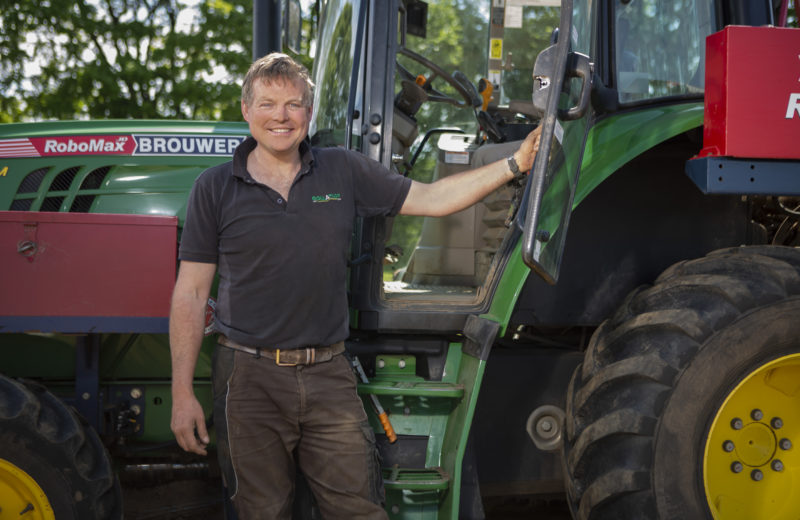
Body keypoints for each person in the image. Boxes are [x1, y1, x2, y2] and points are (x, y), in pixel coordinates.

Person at [169, 52, 541, 519]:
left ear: (309, 110)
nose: (280, 117)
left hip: (328, 374)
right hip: (249, 377)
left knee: (359, 509)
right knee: (261, 511)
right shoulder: (215, 187)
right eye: (267, 104)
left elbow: (432, 198)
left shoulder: (343, 170)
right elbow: (190, 293)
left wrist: (515, 162)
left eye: (293, 104)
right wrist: (182, 393)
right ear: (246, 110)